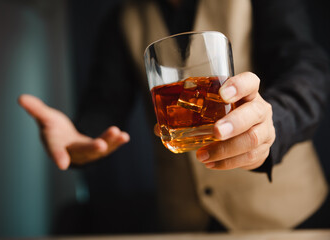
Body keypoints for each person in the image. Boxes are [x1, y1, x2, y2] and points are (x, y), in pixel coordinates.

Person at [19, 0, 329, 233]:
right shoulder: (121, 19)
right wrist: (80, 139)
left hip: (288, 216)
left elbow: (308, 70)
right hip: (182, 223)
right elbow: (104, 104)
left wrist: (272, 123)